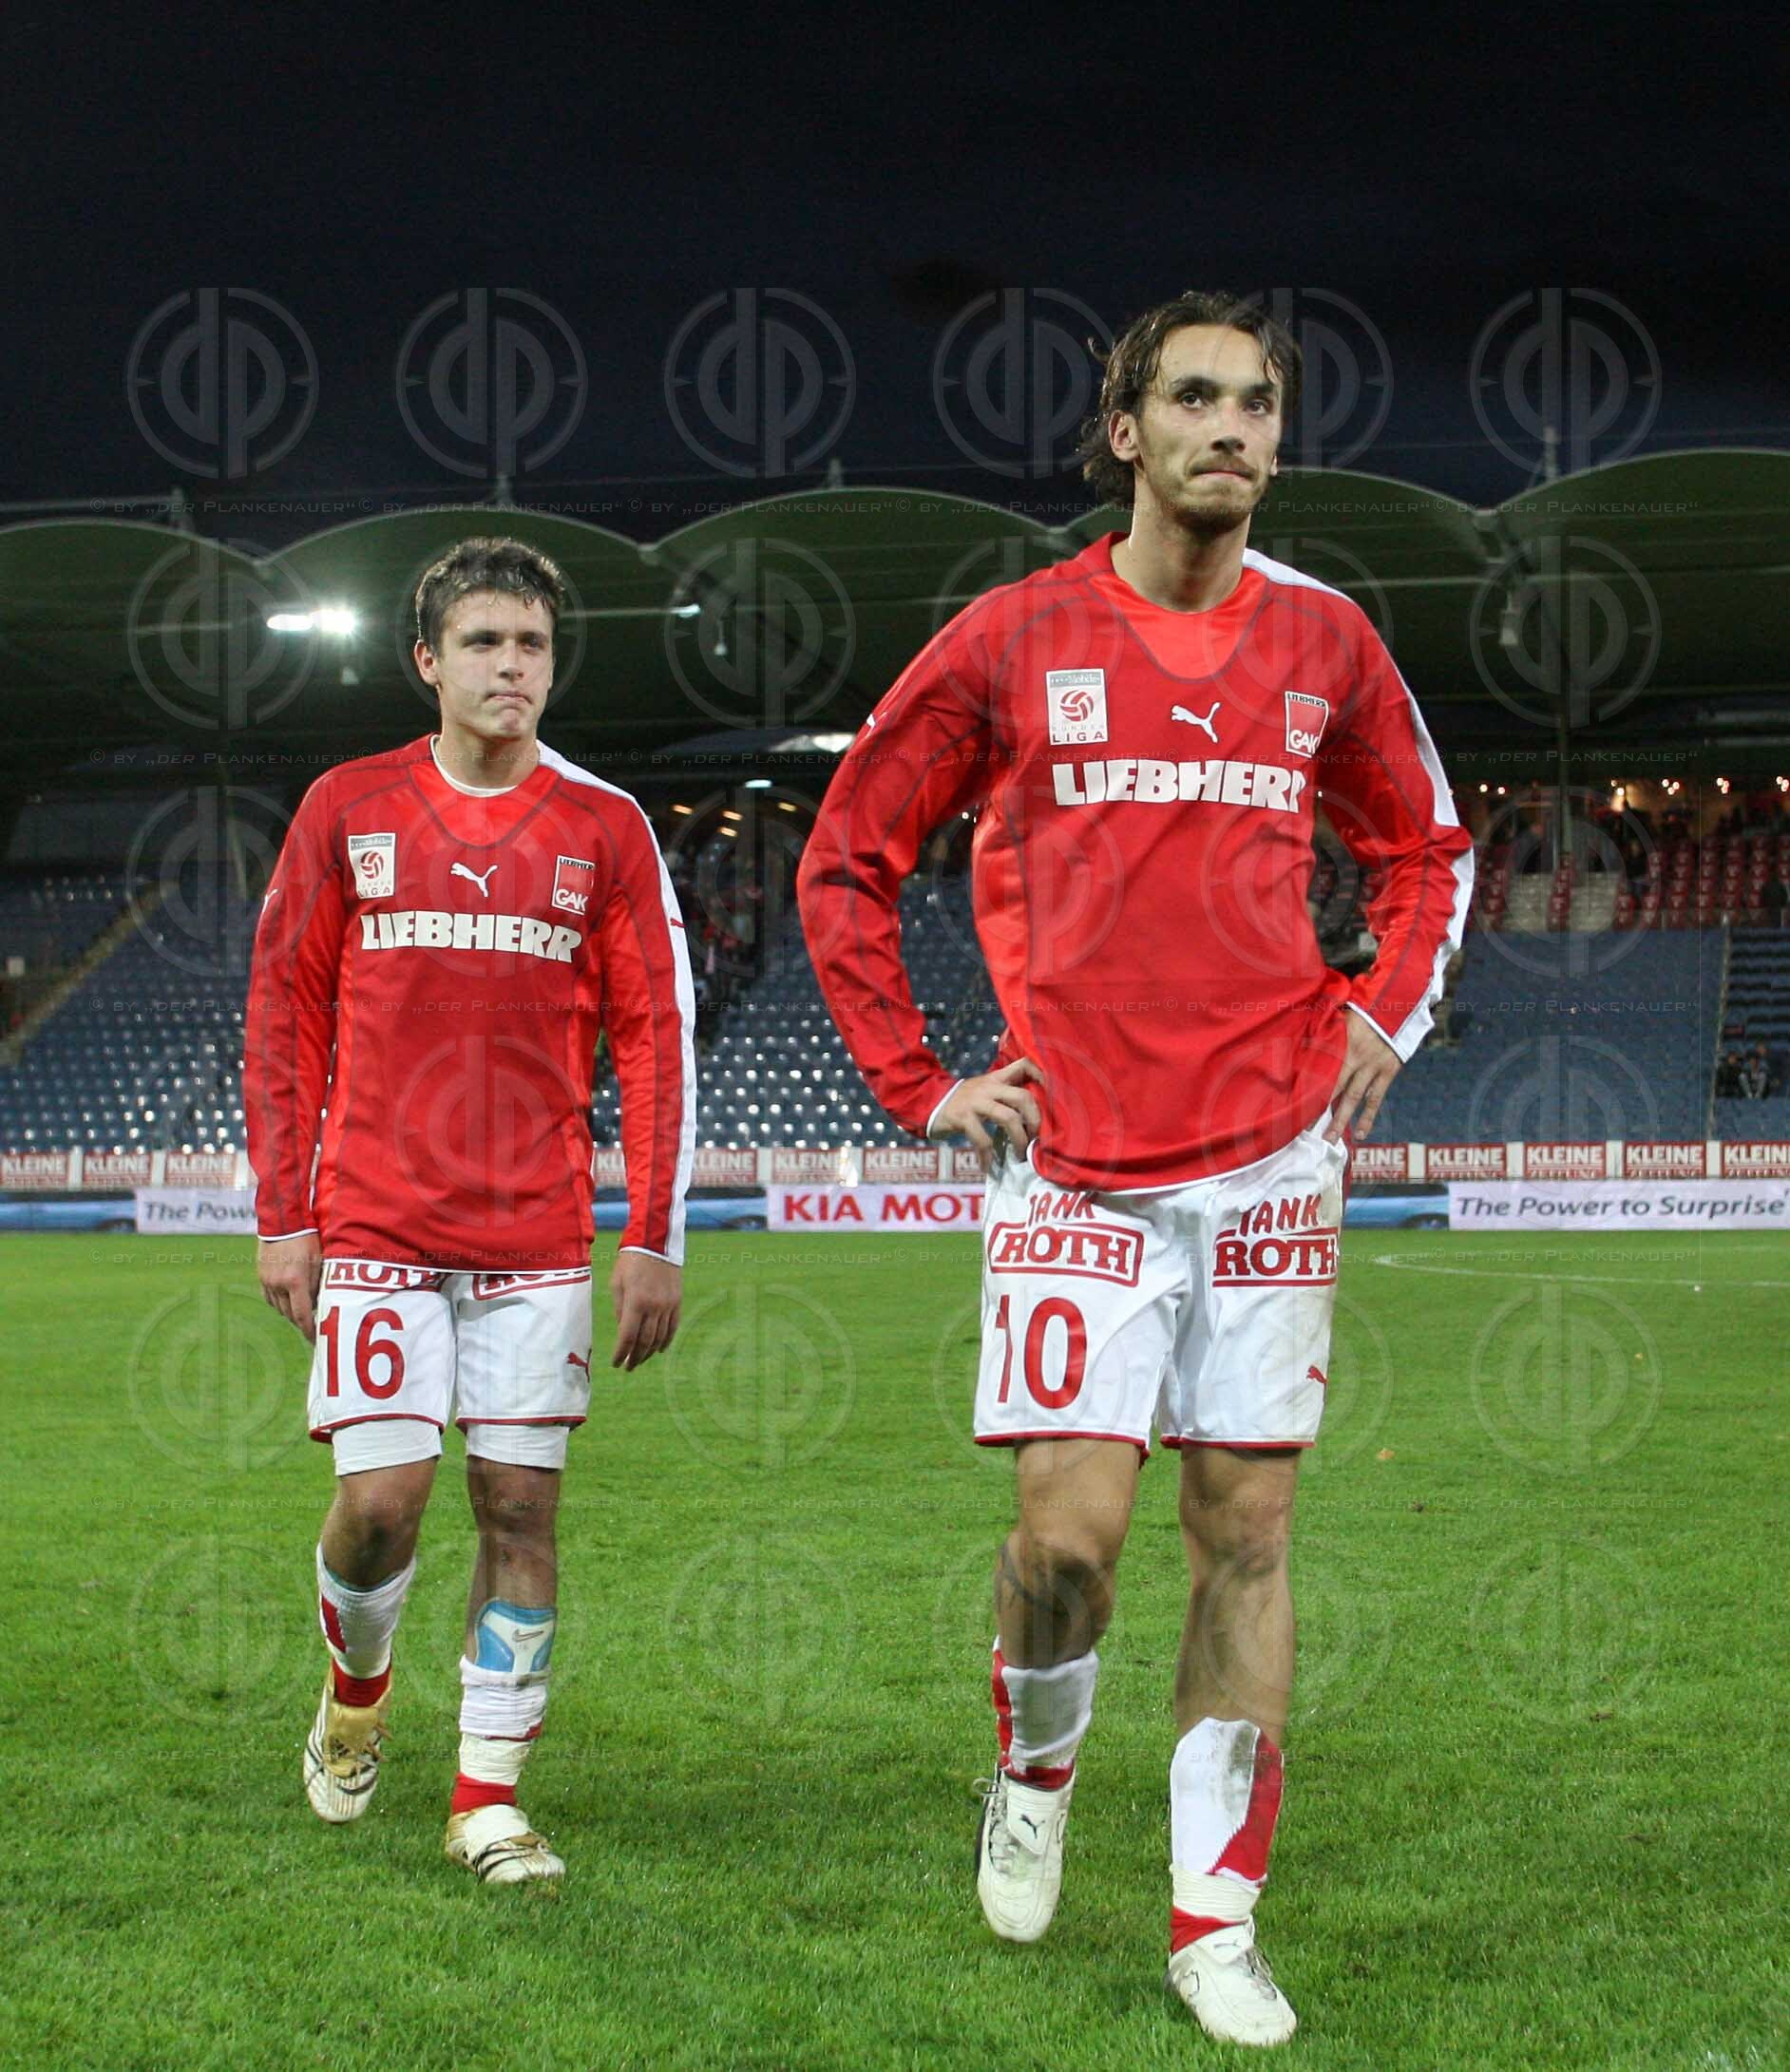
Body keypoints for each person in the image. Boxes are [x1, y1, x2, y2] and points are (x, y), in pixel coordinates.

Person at [797, 293, 1472, 2047]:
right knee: (1067, 1544)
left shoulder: (1327, 644)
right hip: (1080, 1167)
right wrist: (919, 1078)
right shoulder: (1017, 640)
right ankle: (1031, 1765)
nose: (1230, 427)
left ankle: (1212, 1918)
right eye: (1193, 397)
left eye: (1257, 402)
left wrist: (1382, 1016)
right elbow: (847, 854)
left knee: (1247, 1528)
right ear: (1125, 433)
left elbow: (1428, 848)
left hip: (1268, 1165)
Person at [246, 537, 695, 1884]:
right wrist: (285, 1209)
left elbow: (654, 1033)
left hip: (538, 1235)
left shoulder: (603, 826)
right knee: (381, 1503)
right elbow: (286, 1010)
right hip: (377, 1218)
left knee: (516, 1505)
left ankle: (486, 1795)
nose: (514, 668)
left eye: (535, 646)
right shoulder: (347, 806)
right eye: (487, 643)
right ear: (429, 660)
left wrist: (655, 1231)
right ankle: (358, 1693)